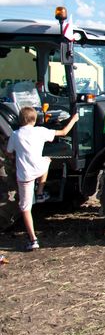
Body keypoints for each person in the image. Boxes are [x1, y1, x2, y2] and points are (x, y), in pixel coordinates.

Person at [5, 106, 79, 250]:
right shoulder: (40, 131)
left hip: (25, 175)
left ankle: (33, 240)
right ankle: (40, 192)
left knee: (25, 208)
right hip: (39, 169)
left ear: (20, 120)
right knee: (47, 160)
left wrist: (14, 156)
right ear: (35, 119)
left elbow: (8, 152)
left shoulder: (15, 134)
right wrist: (73, 119)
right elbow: (64, 132)